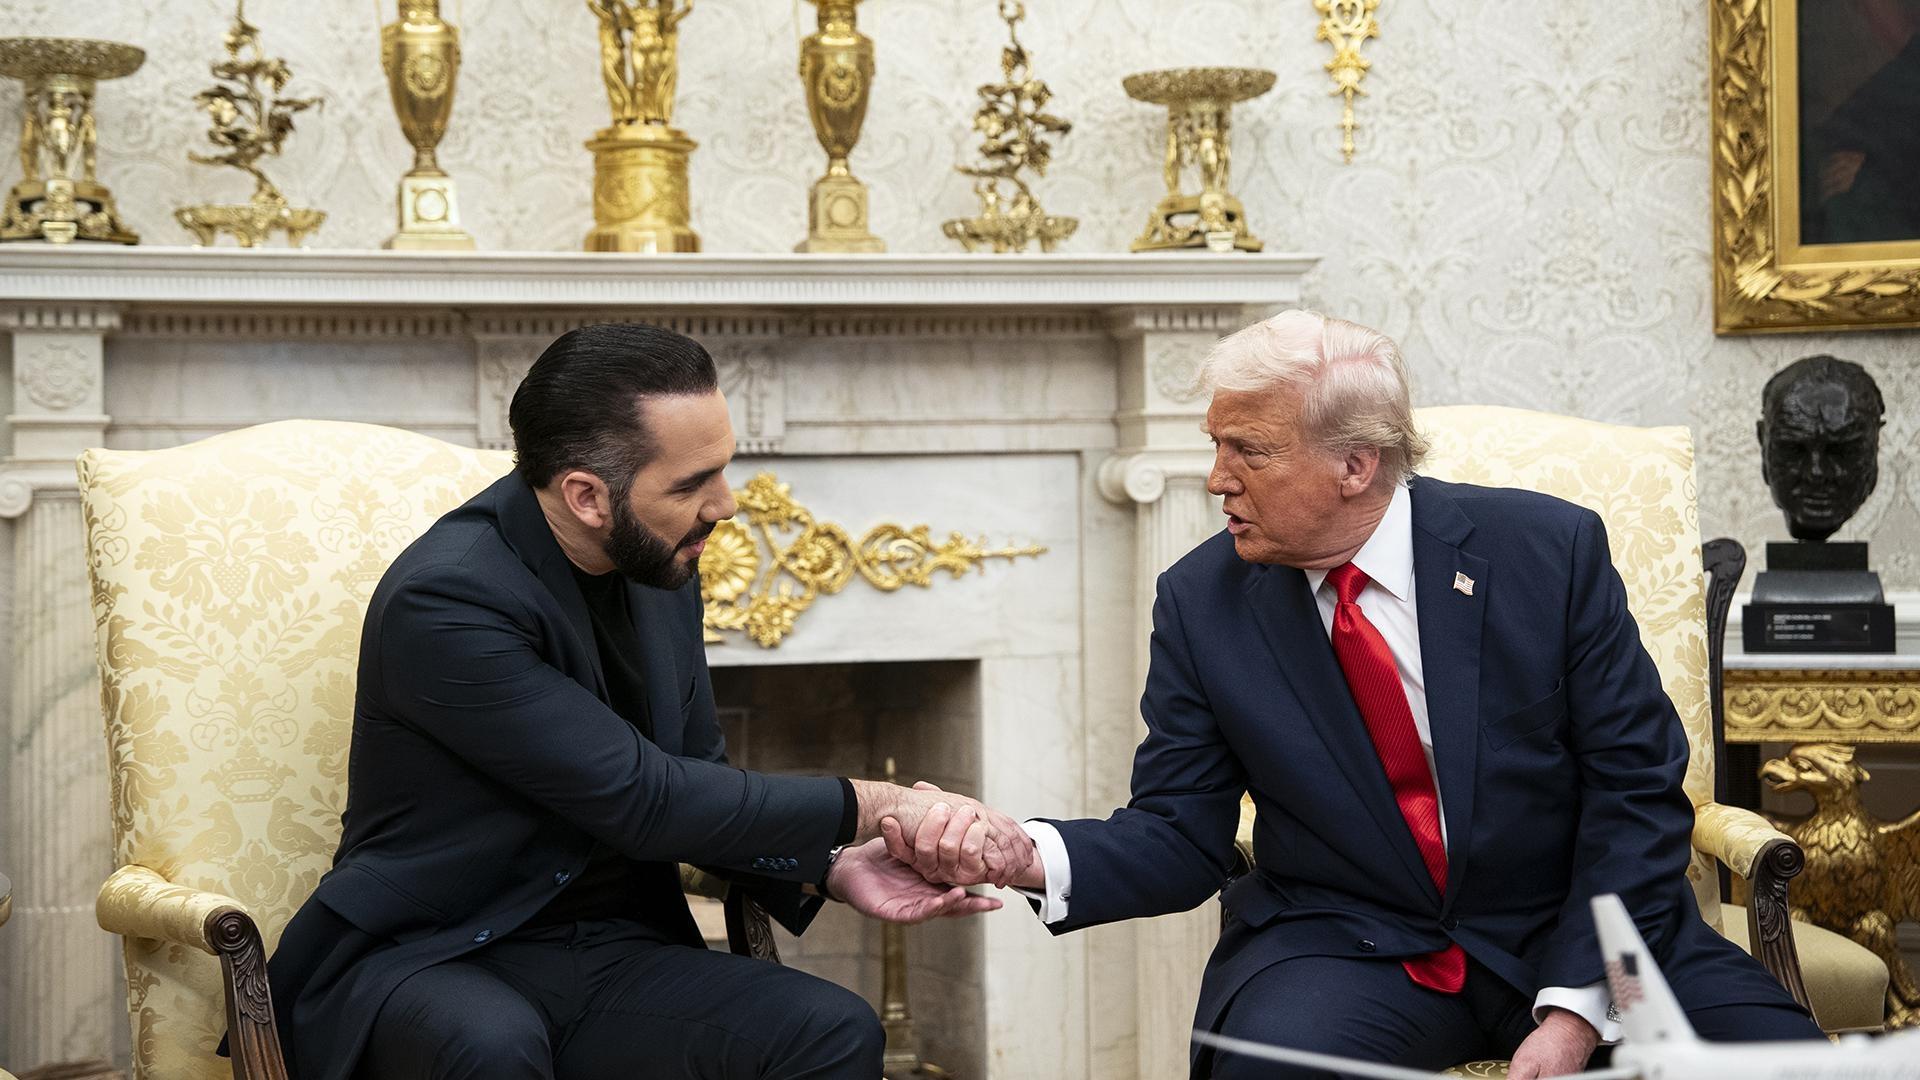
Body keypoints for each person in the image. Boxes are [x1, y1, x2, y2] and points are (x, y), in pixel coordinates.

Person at [892, 311, 1822, 1078]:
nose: (1217, 480)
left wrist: (1580, 1009)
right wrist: (1023, 855)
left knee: (1774, 1062)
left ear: (1355, 464)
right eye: (1215, 446)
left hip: (1575, 922)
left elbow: (1636, 793)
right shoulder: (1201, 600)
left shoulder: (1547, 555)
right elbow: (1179, 834)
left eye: (1247, 451)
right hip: (1348, 946)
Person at [256, 323, 1033, 1080]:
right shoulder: (448, 599)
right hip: (435, 951)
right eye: (694, 483)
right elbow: (645, 799)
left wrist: (833, 865)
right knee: (491, 1046)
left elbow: (697, 775)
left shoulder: (660, 564)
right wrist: (889, 803)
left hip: (609, 951)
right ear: (588, 495)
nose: (726, 505)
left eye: (723, 469)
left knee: (828, 1031)